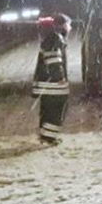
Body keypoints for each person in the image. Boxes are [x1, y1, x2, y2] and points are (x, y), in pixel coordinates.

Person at [31, 13, 72, 145]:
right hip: (53, 85)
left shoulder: (51, 38)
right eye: (68, 24)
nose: (70, 28)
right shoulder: (55, 39)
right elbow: (53, 59)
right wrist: (59, 77)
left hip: (46, 84)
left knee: (47, 110)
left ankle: (45, 135)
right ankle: (49, 137)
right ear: (63, 26)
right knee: (56, 110)